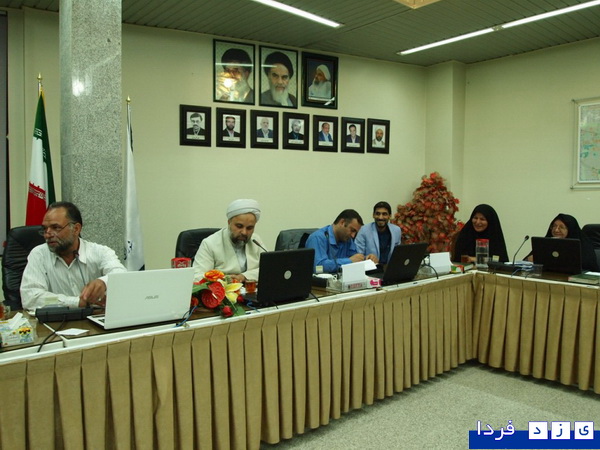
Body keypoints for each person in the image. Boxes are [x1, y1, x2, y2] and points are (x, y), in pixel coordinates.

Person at [20, 201, 127, 310]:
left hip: (95, 318)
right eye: (44, 229)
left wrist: (104, 282)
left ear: (76, 229)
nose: (47, 234)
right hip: (57, 319)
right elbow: (31, 298)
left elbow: (122, 275)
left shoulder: (100, 252)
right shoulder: (39, 255)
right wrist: (77, 302)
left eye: (55, 227)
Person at [193, 199, 267, 282]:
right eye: (239, 226)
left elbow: (269, 268)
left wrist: (243, 277)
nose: (244, 232)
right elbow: (197, 276)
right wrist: (224, 280)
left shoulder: (255, 240)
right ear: (229, 222)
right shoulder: (210, 243)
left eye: (249, 228)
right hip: (222, 288)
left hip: (251, 288)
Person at [526, 213, 599, 271]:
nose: (556, 230)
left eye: (561, 227)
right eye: (554, 226)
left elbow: (587, 266)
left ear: (570, 229)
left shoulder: (583, 246)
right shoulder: (545, 243)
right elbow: (525, 261)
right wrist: (530, 259)